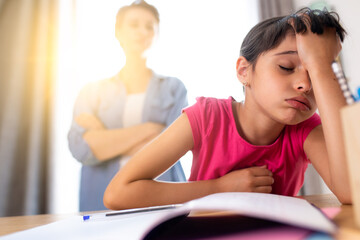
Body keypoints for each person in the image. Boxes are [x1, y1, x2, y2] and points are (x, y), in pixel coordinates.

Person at [104, 7, 352, 210]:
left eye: (316, 75)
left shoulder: (305, 129)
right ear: (244, 71)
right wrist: (219, 188)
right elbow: (118, 193)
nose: (305, 84)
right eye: (286, 67)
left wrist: (322, 65)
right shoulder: (206, 117)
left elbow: (352, 191)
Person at [68, 0, 188, 211]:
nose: (142, 32)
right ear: (118, 32)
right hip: (100, 204)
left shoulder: (174, 89)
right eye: (134, 25)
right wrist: (152, 130)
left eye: (149, 26)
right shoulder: (91, 91)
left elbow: (176, 147)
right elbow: (81, 148)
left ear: (157, 34)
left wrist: (106, 139)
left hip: (161, 201)